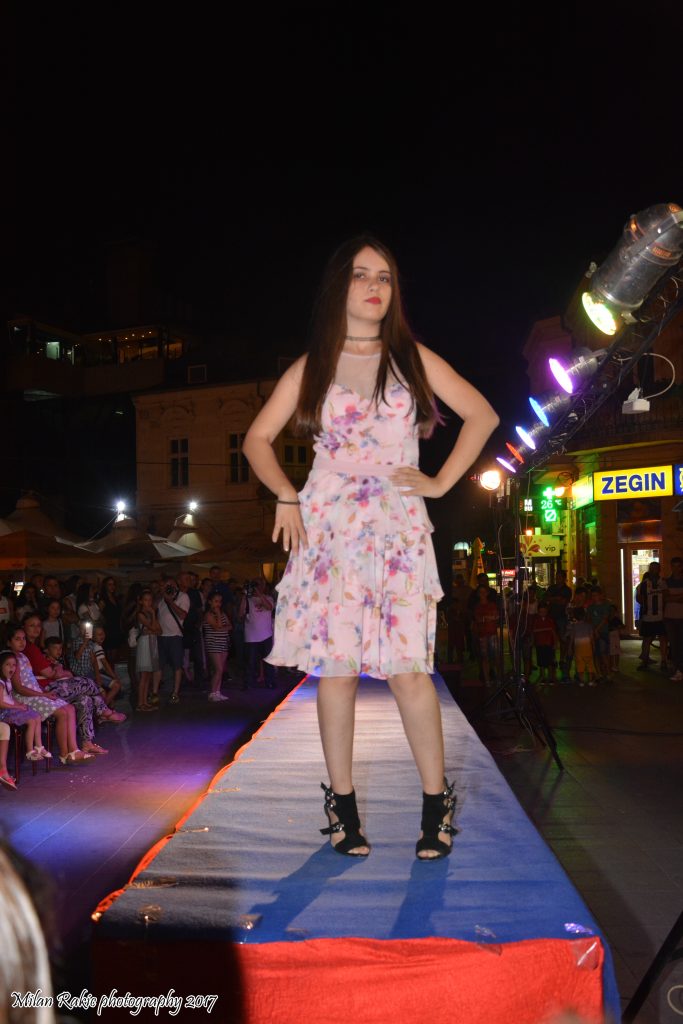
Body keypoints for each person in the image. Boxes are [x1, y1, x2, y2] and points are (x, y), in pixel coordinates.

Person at [242, 236, 498, 860]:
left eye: (384, 276)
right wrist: (285, 495)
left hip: (396, 525)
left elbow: (483, 415)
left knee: (410, 669)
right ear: (340, 287)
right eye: (361, 275)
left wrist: (440, 482)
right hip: (329, 524)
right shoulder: (313, 366)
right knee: (337, 670)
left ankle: (436, 806)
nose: (375, 286)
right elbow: (256, 439)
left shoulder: (410, 358)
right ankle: (342, 807)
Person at [6, 624, 93, 765]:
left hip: (37, 694)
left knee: (70, 708)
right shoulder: (11, 659)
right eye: (17, 639)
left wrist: (45, 692)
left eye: (23, 638)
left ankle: (74, 750)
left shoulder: (23, 656)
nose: (22, 642)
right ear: (9, 642)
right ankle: (64, 754)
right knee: (62, 713)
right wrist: (43, 695)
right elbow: (19, 688)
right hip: (25, 698)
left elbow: (31, 681)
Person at [0, 650, 46, 763]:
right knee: (31, 721)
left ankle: (39, 746)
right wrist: (17, 707)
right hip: (4, 712)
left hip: (11, 709)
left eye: (14, 665)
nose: (11, 668)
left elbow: (9, 698)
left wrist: (19, 704)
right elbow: (1, 703)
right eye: (8, 665)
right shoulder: (0, 683)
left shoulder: (8, 681)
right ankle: (29, 751)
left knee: (37, 716)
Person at [156, 575, 190, 705]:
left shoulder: (183, 596)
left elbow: (183, 615)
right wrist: (161, 594)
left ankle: (175, 693)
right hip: (161, 636)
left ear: (176, 585)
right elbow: (153, 608)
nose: (168, 588)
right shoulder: (162, 598)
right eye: (166, 586)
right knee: (158, 666)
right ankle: (154, 692)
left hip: (175, 636)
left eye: (170, 585)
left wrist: (170, 601)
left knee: (177, 666)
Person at [239, 578, 275, 690]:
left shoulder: (268, 598)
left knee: (268, 661)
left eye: (261, 584)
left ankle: (270, 682)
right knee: (250, 662)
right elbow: (240, 614)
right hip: (251, 637)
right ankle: (248, 684)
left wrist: (259, 594)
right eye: (256, 584)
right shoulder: (247, 599)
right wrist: (244, 596)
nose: (258, 586)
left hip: (266, 635)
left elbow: (269, 607)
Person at [636, 562, 668, 671]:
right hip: (648, 617)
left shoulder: (663, 582)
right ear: (649, 570)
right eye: (652, 568)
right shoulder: (643, 584)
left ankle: (663, 661)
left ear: (659, 570)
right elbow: (638, 598)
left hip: (661, 616)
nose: (654, 570)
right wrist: (646, 606)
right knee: (647, 639)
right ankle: (645, 661)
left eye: (656, 568)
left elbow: (666, 596)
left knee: (663, 639)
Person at [135, 589, 161, 711]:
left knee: (148, 675)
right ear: (141, 601)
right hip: (145, 644)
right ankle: (140, 703)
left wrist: (153, 616)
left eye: (150, 600)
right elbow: (153, 628)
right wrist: (153, 616)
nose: (148, 603)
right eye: (146, 600)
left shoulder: (150, 614)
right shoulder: (140, 614)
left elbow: (159, 630)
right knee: (144, 676)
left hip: (152, 643)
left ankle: (144, 702)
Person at [203, 591, 231, 701]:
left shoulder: (223, 613)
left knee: (221, 669)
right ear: (210, 602)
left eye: (220, 601)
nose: (218, 604)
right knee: (218, 669)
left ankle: (218, 692)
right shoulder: (208, 614)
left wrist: (221, 628)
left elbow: (230, 626)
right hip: (213, 644)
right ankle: (212, 693)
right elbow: (217, 626)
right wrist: (218, 615)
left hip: (223, 643)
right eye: (216, 601)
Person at [471, 584, 499, 685]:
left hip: (492, 633)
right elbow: (478, 619)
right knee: (484, 657)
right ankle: (487, 680)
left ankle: (497, 678)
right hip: (482, 635)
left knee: (495, 657)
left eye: (484, 592)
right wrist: (488, 618)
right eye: (480, 592)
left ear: (487, 593)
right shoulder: (477, 606)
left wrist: (485, 618)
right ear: (478, 594)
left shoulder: (492, 605)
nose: (482, 594)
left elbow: (496, 617)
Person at [567, 607, 597, 687]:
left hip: (578, 648)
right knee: (590, 663)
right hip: (588, 647)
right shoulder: (589, 626)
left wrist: (570, 648)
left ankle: (581, 681)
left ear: (575, 616)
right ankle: (590, 681)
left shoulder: (574, 626)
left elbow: (572, 638)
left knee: (580, 664)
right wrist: (594, 646)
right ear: (584, 616)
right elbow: (592, 637)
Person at [664, 556, 683, 682]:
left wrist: (672, 597)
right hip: (670, 618)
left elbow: (669, 598)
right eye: (673, 566)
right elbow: (666, 598)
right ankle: (678, 669)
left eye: (678, 566)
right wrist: (679, 597)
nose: (676, 569)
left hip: (681, 617)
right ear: (671, 567)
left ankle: (679, 670)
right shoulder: (666, 581)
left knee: (681, 644)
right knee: (674, 645)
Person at [531, 602, 558, 685]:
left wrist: (555, 643)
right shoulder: (536, 620)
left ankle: (550, 677)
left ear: (547, 611)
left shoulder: (550, 620)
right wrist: (532, 642)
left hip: (548, 643)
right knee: (541, 662)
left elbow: (554, 632)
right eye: (541, 612)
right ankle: (543, 676)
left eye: (544, 611)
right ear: (538, 612)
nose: (543, 613)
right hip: (539, 644)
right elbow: (533, 632)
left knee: (550, 661)